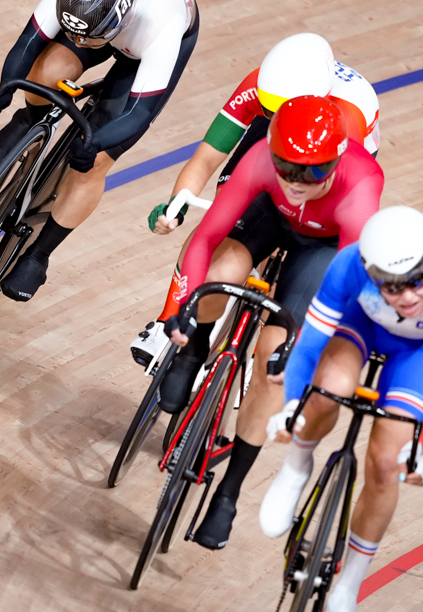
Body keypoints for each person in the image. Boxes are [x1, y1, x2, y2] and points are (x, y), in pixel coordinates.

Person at [155, 95, 384, 550]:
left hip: (323, 246)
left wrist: (304, 345)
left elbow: (342, 287)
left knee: (273, 359)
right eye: (288, 168)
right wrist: (183, 308)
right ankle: (196, 350)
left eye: (313, 172)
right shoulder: (262, 161)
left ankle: (228, 493)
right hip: (270, 218)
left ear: (337, 161)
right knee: (220, 275)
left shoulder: (362, 184)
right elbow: (205, 238)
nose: (298, 182)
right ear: (273, 153)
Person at [255, 206, 423, 612]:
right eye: (393, 285)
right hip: (362, 326)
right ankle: (297, 467)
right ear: (369, 270)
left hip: (422, 352)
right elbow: (308, 347)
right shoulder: (348, 265)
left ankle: (347, 589)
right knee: (328, 389)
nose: (408, 295)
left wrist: (419, 448)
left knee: (385, 462)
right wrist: (291, 410)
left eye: (419, 278)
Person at [130, 32, 380, 368]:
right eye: (267, 109)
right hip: (273, 142)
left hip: (322, 144)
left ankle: (255, 340)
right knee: (225, 215)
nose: (273, 115)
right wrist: (178, 203)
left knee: (301, 230)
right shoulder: (261, 85)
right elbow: (205, 158)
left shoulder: (344, 121)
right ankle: (169, 320)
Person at [0, 0, 197, 302]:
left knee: (93, 163)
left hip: (146, 45)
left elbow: (139, 113)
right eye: (73, 31)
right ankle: (29, 120)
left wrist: (97, 144)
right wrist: (6, 87)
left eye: (85, 36)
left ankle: (38, 254)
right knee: (46, 72)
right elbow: (27, 44)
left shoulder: (161, 28)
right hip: (101, 18)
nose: (76, 39)